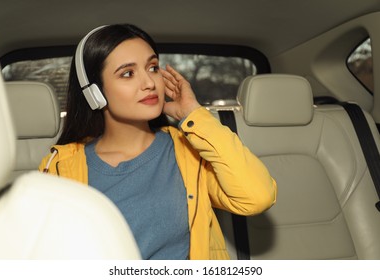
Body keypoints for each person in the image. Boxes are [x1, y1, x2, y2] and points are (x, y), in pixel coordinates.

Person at [39, 24, 277, 260]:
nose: (150, 83)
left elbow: (256, 197)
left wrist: (193, 114)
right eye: (128, 73)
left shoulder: (189, 151)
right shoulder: (58, 168)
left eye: (152, 67)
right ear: (94, 93)